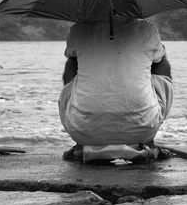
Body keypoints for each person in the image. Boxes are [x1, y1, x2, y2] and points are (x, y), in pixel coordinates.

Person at [58, 15, 174, 163]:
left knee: (72, 63)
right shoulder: (147, 30)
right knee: (161, 61)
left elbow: (73, 60)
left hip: (82, 131)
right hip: (144, 129)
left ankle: (82, 144)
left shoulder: (78, 30)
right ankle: (148, 142)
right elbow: (158, 58)